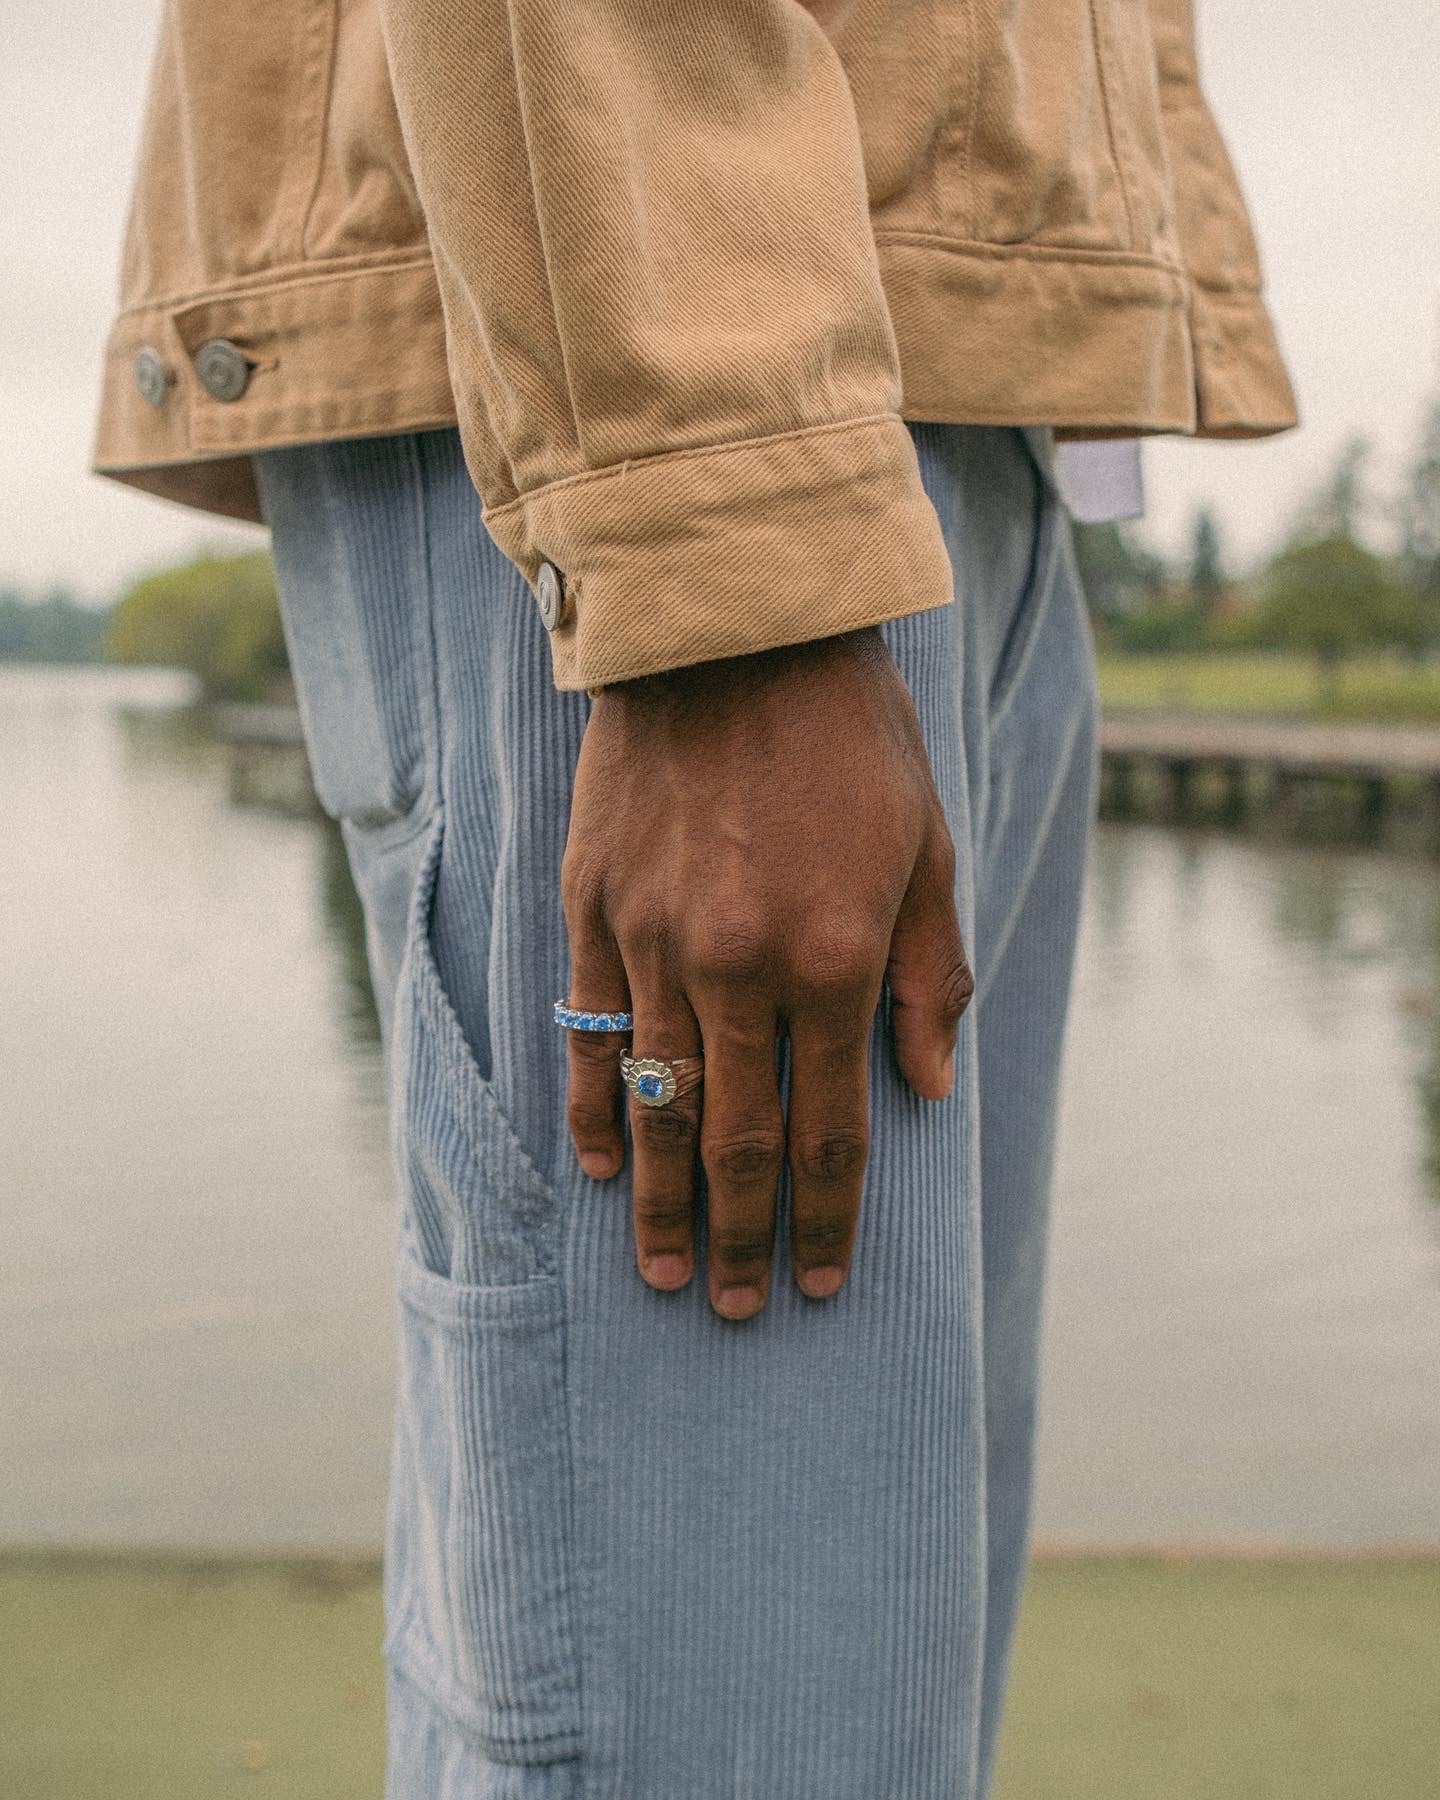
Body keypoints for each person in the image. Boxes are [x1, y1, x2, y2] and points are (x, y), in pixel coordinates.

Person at [92, 3, 1295, 1794]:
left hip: (931, 394)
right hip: (684, 377)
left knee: (858, 1711)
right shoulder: (705, 467)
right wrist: (706, 522)